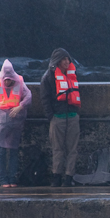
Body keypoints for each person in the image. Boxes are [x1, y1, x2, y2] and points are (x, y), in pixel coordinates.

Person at [0, 59, 32, 188]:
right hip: (0, 122)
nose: (8, 82)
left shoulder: (20, 82)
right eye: (6, 79)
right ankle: (3, 179)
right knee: (1, 151)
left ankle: (12, 178)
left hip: (15, 123)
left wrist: (21, 106)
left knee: (13, 150)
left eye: (10, 79)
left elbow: (28, 96)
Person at [40, 48, 81, 187]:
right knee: (57, 149)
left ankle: (69, 177)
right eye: (64, 59)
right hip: (57, 118)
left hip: (72, 117)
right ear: (57, 61)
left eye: (68, 59)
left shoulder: (72, 74)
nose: (67, 62)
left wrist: (76, 112)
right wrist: (51, 117)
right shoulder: (48, 77)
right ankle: (56, 176)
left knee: (72, 149)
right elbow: (45, 99)